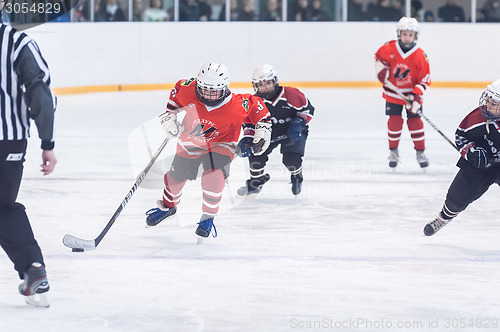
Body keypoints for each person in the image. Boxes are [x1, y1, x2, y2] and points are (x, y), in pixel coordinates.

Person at [145, 62, 271, 240]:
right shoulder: (187, 88)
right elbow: (175, 98)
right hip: (190, 142)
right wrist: (170, 118)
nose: (208, 95)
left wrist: (260, 134)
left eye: (214, 91)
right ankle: (168, 207)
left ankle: (207, 218)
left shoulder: (238, 103)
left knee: (213, 178)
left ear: (225, 88)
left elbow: (261, 114)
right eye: (204, 89)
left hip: (222, 145)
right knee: (174, 180)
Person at [0, 13, 57, 307]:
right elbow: (40, 94)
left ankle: (32, 269)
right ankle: (33, 268)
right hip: (8, 141)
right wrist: (47, 142)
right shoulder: (18, 43)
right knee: (3, 208)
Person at [423, 80, 500, 236]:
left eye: (494, 104)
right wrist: (470, 152)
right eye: (489, 102)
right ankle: (443, 218)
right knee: (458, 195)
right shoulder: (477, 118)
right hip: (480, 165)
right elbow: (461, 137)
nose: (488, 107)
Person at [236, 64, 315, 196]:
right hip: (268, 132)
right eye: (261, 84)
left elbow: (308, 110)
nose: (265, 86)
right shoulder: (254, 102)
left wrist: (298, 123)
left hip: (292, 130)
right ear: (255, 86)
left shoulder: (291, 94)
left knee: (291, 161)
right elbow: (249, 124)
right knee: (256, 156)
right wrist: (248, 139)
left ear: (275, 81)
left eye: (268, 82)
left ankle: (297, 176)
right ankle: (256, 182)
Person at [374, 17, 431, 169]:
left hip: (412, 96)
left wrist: (416, 96)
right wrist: (382, 70)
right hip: (393, 94)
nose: (407, 37)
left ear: (415, 36)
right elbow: (379, 60)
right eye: (405, 34)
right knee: (394, 121)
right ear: (399, 34)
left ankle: (420, 152)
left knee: (415, 122)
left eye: (410, 35)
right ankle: (393, 151)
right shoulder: (388, 48)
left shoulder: (420, 55)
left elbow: (424, 79)